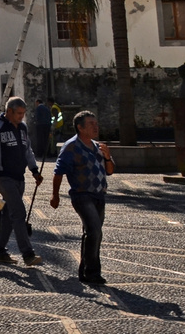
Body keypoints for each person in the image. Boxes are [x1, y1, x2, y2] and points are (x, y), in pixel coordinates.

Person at [51, 109, 114, 286]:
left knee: (92, 233)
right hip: (82, 195)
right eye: (91, 124)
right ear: (80, 127)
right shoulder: (71, 146)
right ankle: (93, 272)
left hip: (100, 195)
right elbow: (58, 172)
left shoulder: (98, 146)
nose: (96, 127)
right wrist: (55, 195)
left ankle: (85, 271)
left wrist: (108, 157)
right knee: (94, 230)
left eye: (96, 123)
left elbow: (110, 171)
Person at [0, 96, 44, 266]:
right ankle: (28, 254)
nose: (21, 117)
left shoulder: (22, 128)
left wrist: (35, 171)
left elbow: (27, 151)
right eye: (18, 114)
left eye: (23, 113)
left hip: (19, 178)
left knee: (9, 215)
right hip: (2, 177)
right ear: (9, 111)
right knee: (19, 212)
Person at [29, 94, 52, 162]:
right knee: (46, 139)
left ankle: (40, 153)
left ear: (37, 102)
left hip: (40, 125)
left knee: (40, 140)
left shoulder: (38, 108)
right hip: (47, 125)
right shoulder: (47, 108)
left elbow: (37, 117)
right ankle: (47, 153)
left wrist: (35, 122)